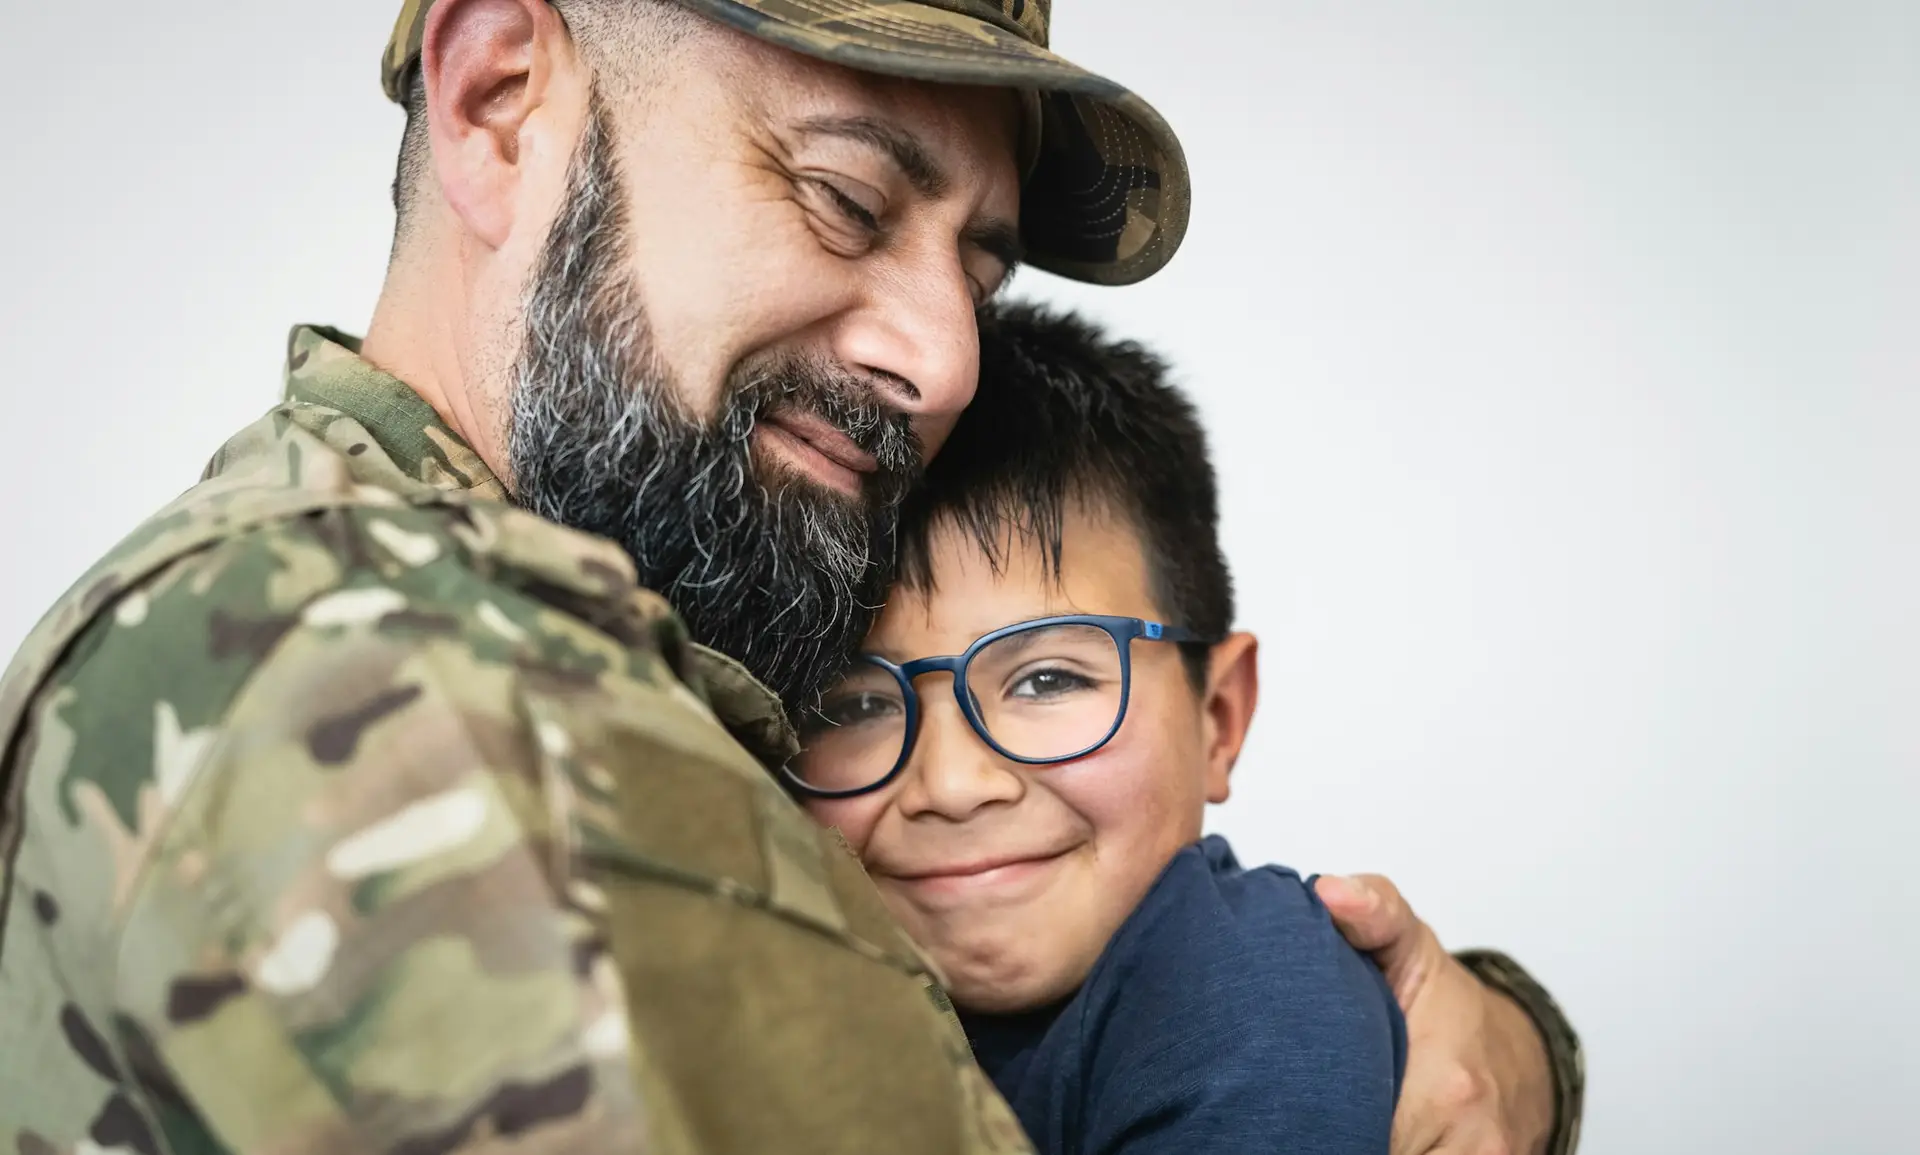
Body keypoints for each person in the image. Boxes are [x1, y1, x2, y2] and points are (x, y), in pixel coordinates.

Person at [0, 2, 1579, 1154]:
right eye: (844, 199)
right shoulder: (399, 686)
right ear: (496, 101)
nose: (945, 359)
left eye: (978, 266)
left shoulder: (634, 641)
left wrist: (1471, 1034)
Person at [788, 302, 1411, 1153]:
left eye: (1048, 679)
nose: (953, 784)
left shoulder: (1251, 988)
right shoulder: (803, 984)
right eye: (859, 704)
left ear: (1219, 718)